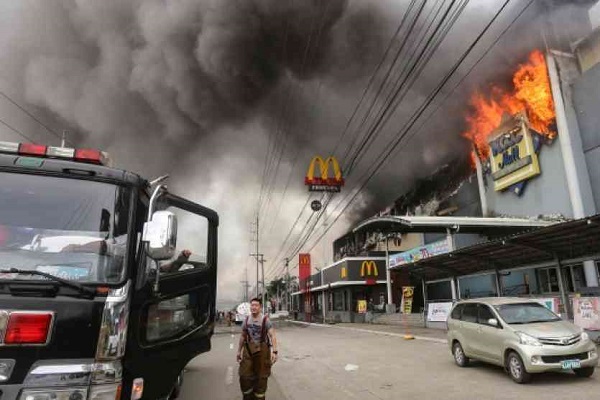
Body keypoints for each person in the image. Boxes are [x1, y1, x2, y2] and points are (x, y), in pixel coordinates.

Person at [237, 297, 278, 400]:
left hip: (262, 352)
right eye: (252, 305)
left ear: (260, 307)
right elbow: (243, 336)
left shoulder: (265, 320)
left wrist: (275, 351)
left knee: (261, 378)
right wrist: (239, 351)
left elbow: (272, 335)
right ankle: (247, 397)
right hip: (248, 351)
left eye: (256, 305)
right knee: (244, 376)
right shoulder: (246, 320)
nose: (253, 307)